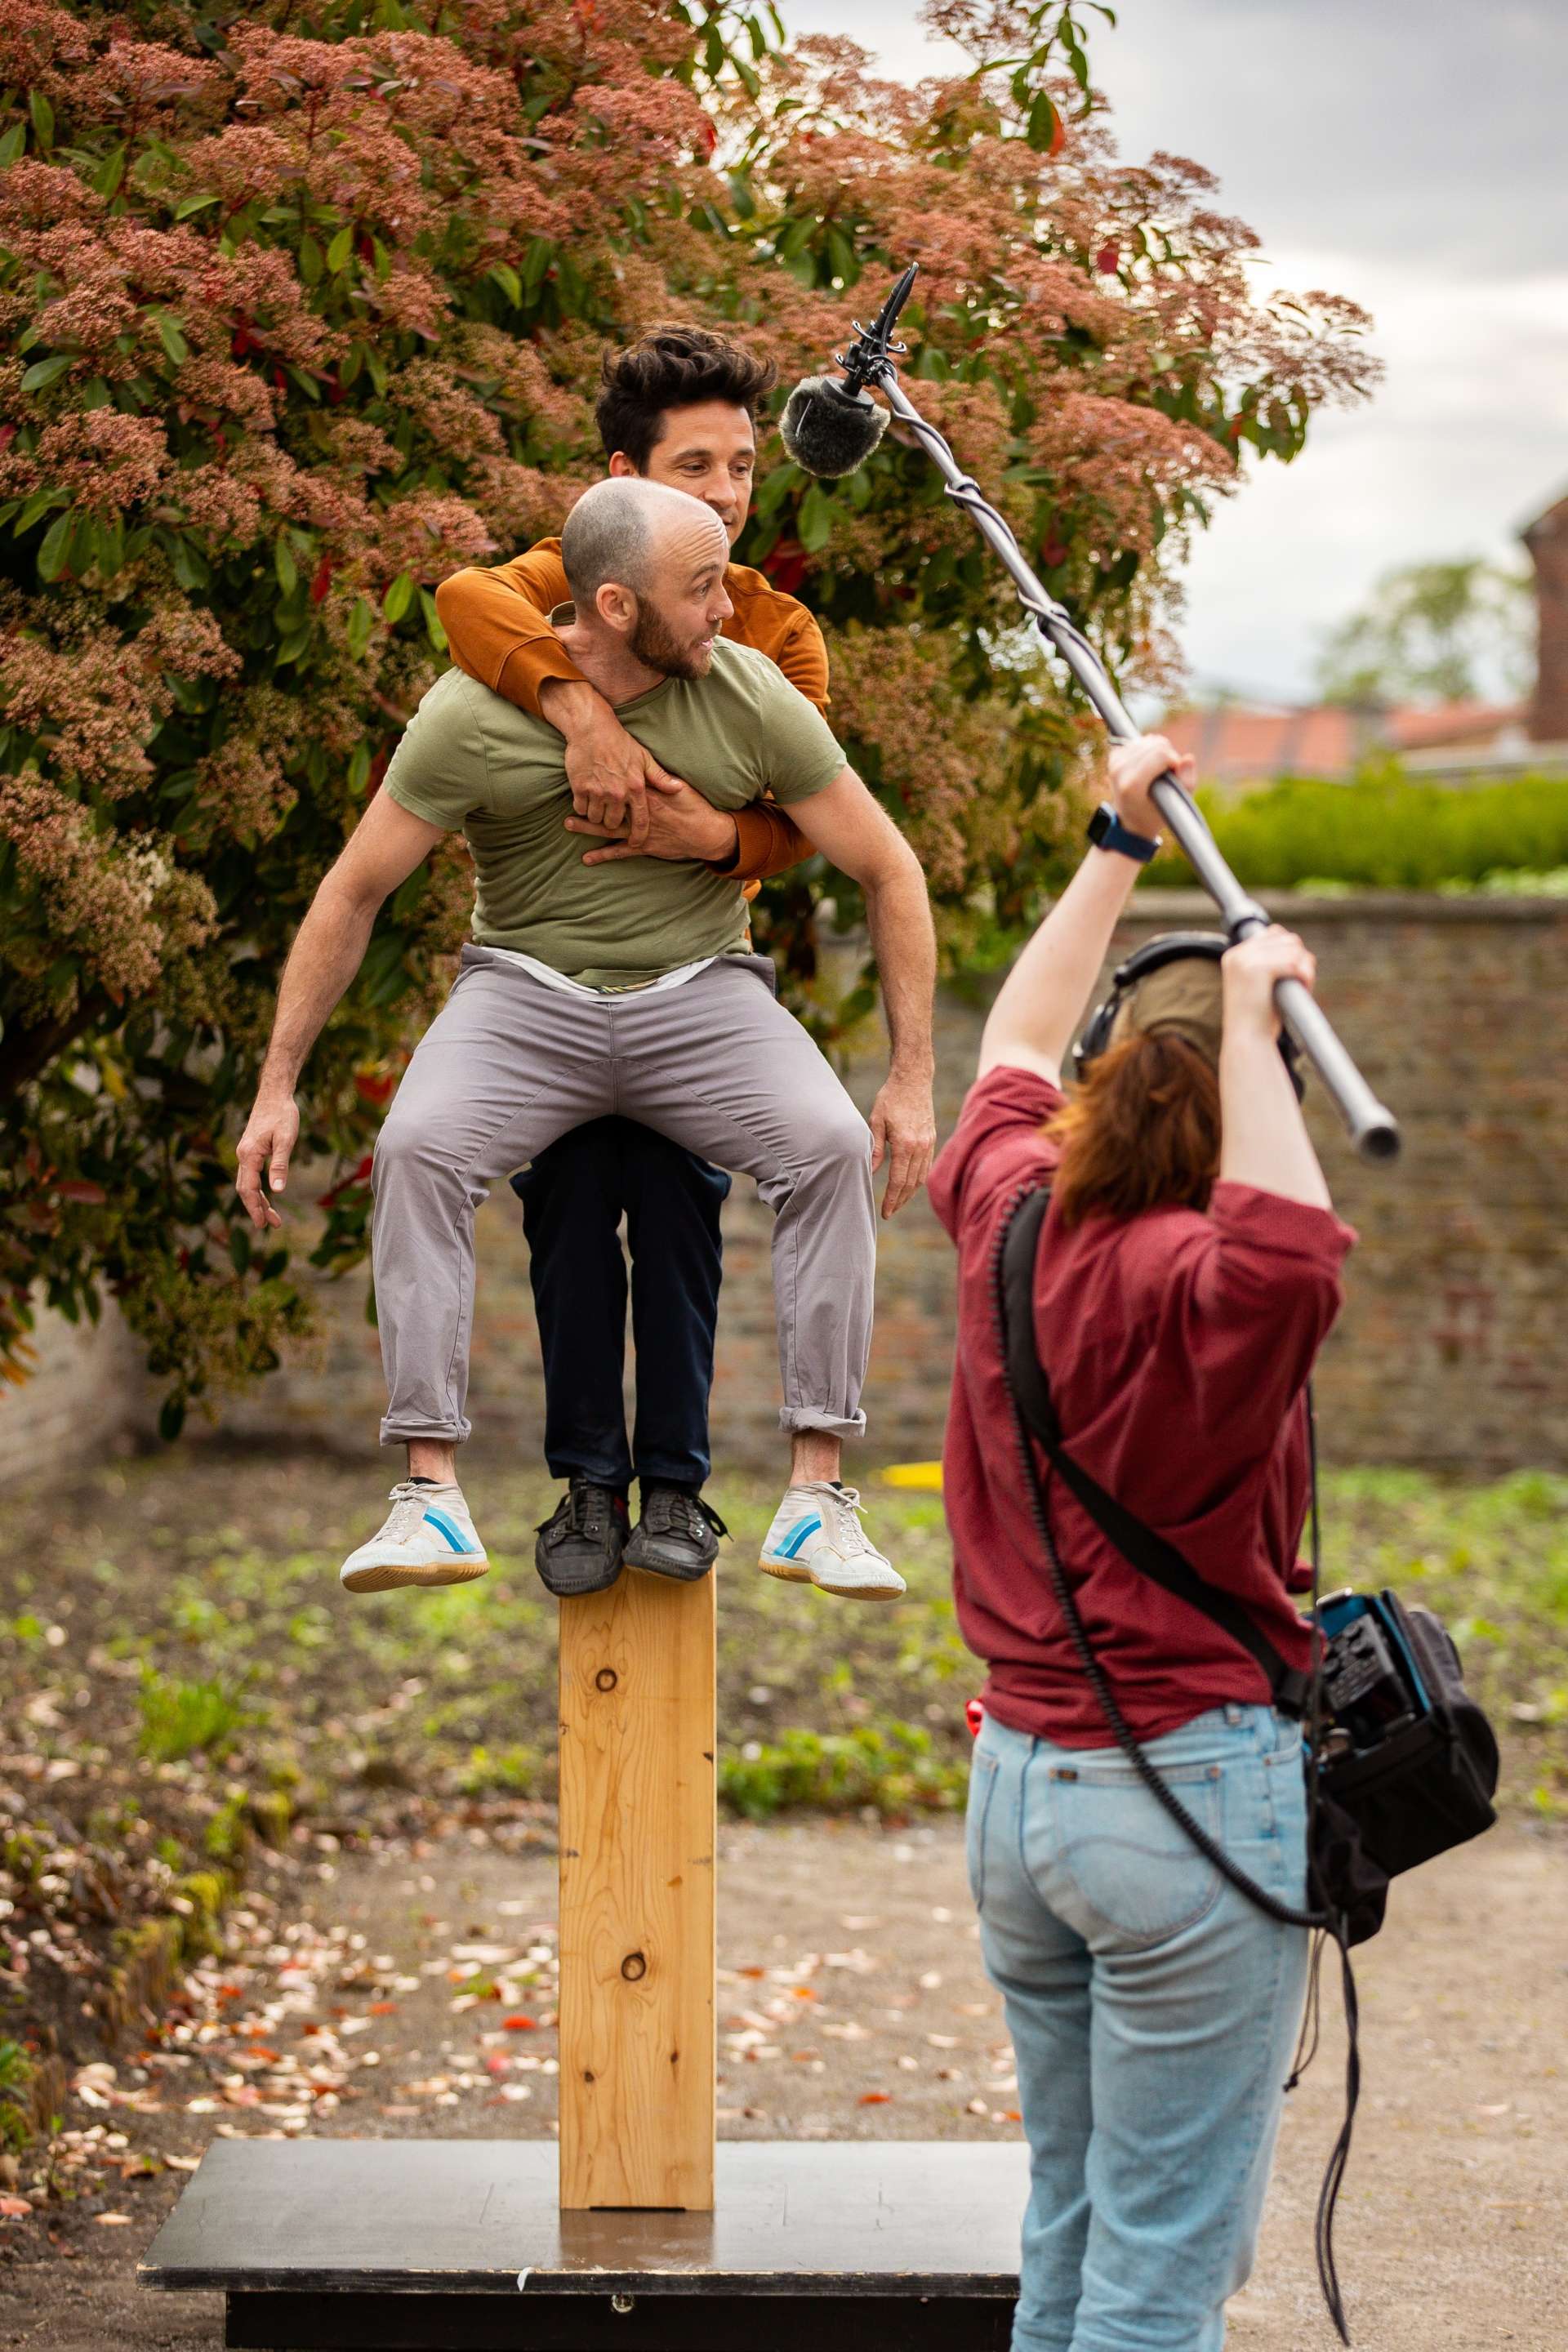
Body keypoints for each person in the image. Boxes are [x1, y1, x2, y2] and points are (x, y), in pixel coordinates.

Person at [236, 476, 937, 1606]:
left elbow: (886, 865)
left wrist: (910, 1077)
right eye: (701, 587)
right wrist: (278, 1085)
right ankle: (427, 1495)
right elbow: (353, 891)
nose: (725, 609)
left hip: (700, 992)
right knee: (416, 1147)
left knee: (827, 1144)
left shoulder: (747, 690)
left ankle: (817, 1495)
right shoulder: (470, 716)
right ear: (614, 605)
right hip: (527, 993)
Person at [926, 733, 1356, 2352]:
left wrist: (1116, 838)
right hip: (1180, 1794)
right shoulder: (1211, 1289)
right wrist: (1257, 1016)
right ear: (1242, 1133)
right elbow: (1294, 1249)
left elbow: (1018, 1038)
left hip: (1020, 1799)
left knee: (1078, 2220)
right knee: (1160, 2273)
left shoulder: (1012, 1207)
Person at [435, 325, 819, 1594]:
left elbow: (799, 828)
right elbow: (465, 599)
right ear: (622, 474)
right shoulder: (570, 569)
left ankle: (678, 1491)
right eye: (694, 465)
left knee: (678, 1212)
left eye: (743, 468)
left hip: (690, 980)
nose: (724, 494)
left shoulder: (778, 631)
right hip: (550, 980)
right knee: (566, 1210)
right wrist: (582, 715)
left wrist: (709, 833)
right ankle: (585, 1489)